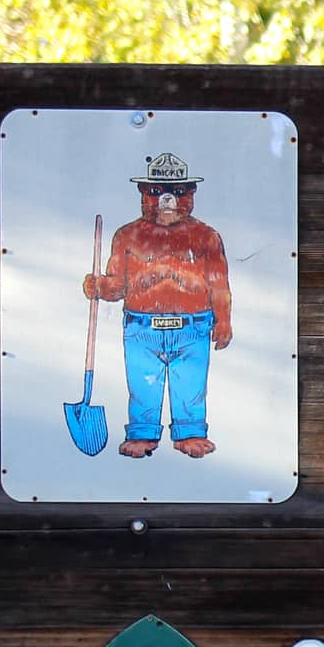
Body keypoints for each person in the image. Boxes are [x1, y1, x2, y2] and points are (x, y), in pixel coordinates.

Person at [81, 152, 233, 458]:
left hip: (193, 326)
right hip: (141, 327)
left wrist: (224, 319)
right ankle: (141, 434)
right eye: (155, 192)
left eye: (178, 192)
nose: (166, 200)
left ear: (191, 194)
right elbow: (117, 285)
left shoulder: (206, 237)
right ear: (142, 194)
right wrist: (100, 287)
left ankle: (190, 433)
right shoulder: (127, 236)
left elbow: (218, 282)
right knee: (142, 383)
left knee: (190, 384)